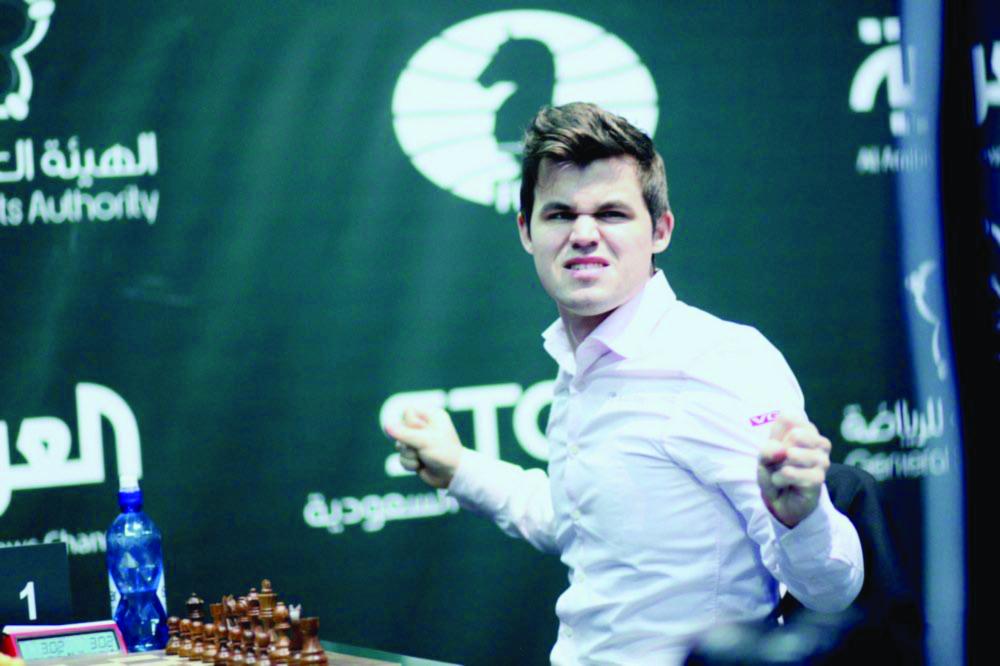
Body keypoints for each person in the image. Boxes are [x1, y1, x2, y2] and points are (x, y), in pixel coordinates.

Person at [385, 102, 863, 665]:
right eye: (560, 214)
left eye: (611, 214)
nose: (584, 234)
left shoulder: (721, 361)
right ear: (526, 231)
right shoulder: (579, 361)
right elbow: (581, 522)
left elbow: (833, 590)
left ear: (660, 230)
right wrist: (457, 468)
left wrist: (801, 517)